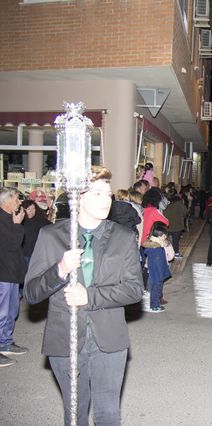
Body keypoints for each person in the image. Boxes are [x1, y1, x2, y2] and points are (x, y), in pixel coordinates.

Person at [24, 166, 144, 425]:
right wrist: (60, 270)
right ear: (77, 197)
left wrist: (89, 297)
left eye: (108, 194)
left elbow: (134, 290)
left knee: (108, 413)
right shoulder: (51, 236)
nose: (106, 200)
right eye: (97, 193)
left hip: (109, 340)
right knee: (75, 412)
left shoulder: (122, 237)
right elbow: (32, 293)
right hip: (64, 339)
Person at [0, 187, 28, 368]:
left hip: (11, 272)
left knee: (11, 310)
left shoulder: (9, 218)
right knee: (2, 311)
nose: (20, 203)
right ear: (6, 200)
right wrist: (17, 224)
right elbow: (12, 243)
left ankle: (5, 341)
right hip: (2, 273)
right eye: (17, 199)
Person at [141, 221, 174, 312]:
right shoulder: (157, 249)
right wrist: (160, 275)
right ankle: (155, 306)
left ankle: (154, 304)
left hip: (155, 272)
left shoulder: (156, 246)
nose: (165, 238)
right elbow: (157, 264)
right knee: (156, 289)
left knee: (155, 288)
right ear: (160, 237)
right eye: (164, 236)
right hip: (156, 273)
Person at [163, 188, 188, 258]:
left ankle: (166, 253)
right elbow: (185, 211)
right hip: (177, 224)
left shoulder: (165, 201)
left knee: (165, 239)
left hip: (167, 223)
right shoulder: (179, 202)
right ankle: (176, 253)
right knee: (175, 240)